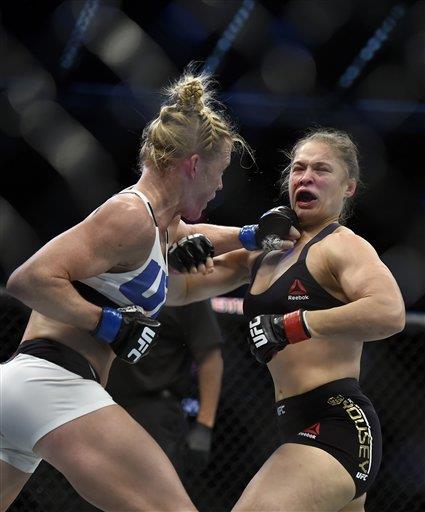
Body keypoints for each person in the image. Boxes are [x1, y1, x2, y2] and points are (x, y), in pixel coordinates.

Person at [1, 68, 298, 512]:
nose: (220, 186)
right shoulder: (130, 215)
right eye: (219, 172)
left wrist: (252, 237)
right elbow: (27, 280)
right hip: (53, 384)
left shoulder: (159, 227)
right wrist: (105, 323)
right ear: (193, 166)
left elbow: (192, 254)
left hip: (28, 390)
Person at [166, 128, 406, 512]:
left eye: (321, 169)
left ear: (348, 187)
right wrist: (180, 257)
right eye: (298, 168)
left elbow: (389, 312)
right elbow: (176, 290)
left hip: (337, 423)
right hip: (293, 423)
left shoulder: (343, 246)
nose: (306, 177)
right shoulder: (264, 253)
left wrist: (293, 325)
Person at [106, 300, 224, 480]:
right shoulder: (104, 284)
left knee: (150, 490)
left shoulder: (184, 290)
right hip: (101, 403)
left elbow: (210, 356)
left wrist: (204, 426)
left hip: (153, 411)